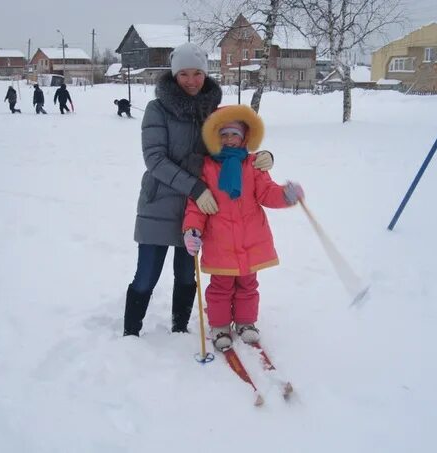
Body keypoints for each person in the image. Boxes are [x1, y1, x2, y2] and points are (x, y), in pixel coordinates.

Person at [123, 42, 275, 337]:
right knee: (146, 275)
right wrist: (195, 187)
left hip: (199, 211)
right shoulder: (157, 109)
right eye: (183, 74)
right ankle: (131, 335)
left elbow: (233, 144)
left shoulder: (212, 112)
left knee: (186, 275)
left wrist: (262, 157)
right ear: (173, 74)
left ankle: (180, 329)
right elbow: (155, 159)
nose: (191, 81)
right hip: (161, 203)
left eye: (197, 73)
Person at [182, 104, 304, 350]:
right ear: (215, 137)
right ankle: (220, 326)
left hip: (251, 240)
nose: (229, 139)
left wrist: (286, 195)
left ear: (244, 136)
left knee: (248, 285)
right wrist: (192, 230)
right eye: (223, 134)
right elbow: (196, 206)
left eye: (234, 134)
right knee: (221, 287)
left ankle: (246, 322)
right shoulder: (206, 167)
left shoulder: (253, 165)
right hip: (221, 242)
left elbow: (267, 193)